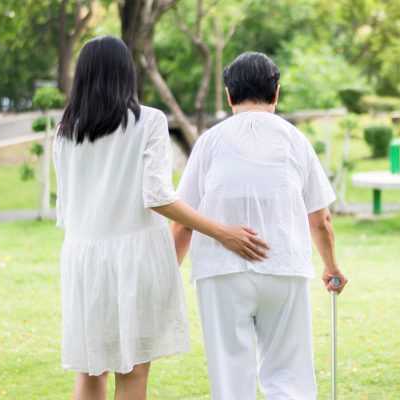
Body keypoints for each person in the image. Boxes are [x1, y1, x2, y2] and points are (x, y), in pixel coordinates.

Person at [53, 36, 269, 400]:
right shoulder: (148, 121)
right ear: (127, 74)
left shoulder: (65, 133)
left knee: (91, 372)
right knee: (133, 373)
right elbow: (156, 196)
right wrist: (220, 232)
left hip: (83, 262)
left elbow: (66, 212)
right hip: (135, 259)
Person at [172, 51, 348, 400]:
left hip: (221, 273)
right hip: (283, 267)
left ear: (229, 95)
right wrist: (331, 266)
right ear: (276, 93)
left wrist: (166, 273)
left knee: (231, 377)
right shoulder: (295, 140)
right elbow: (321, 219)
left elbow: (183, 220)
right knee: (289, 376)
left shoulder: (209, 142)